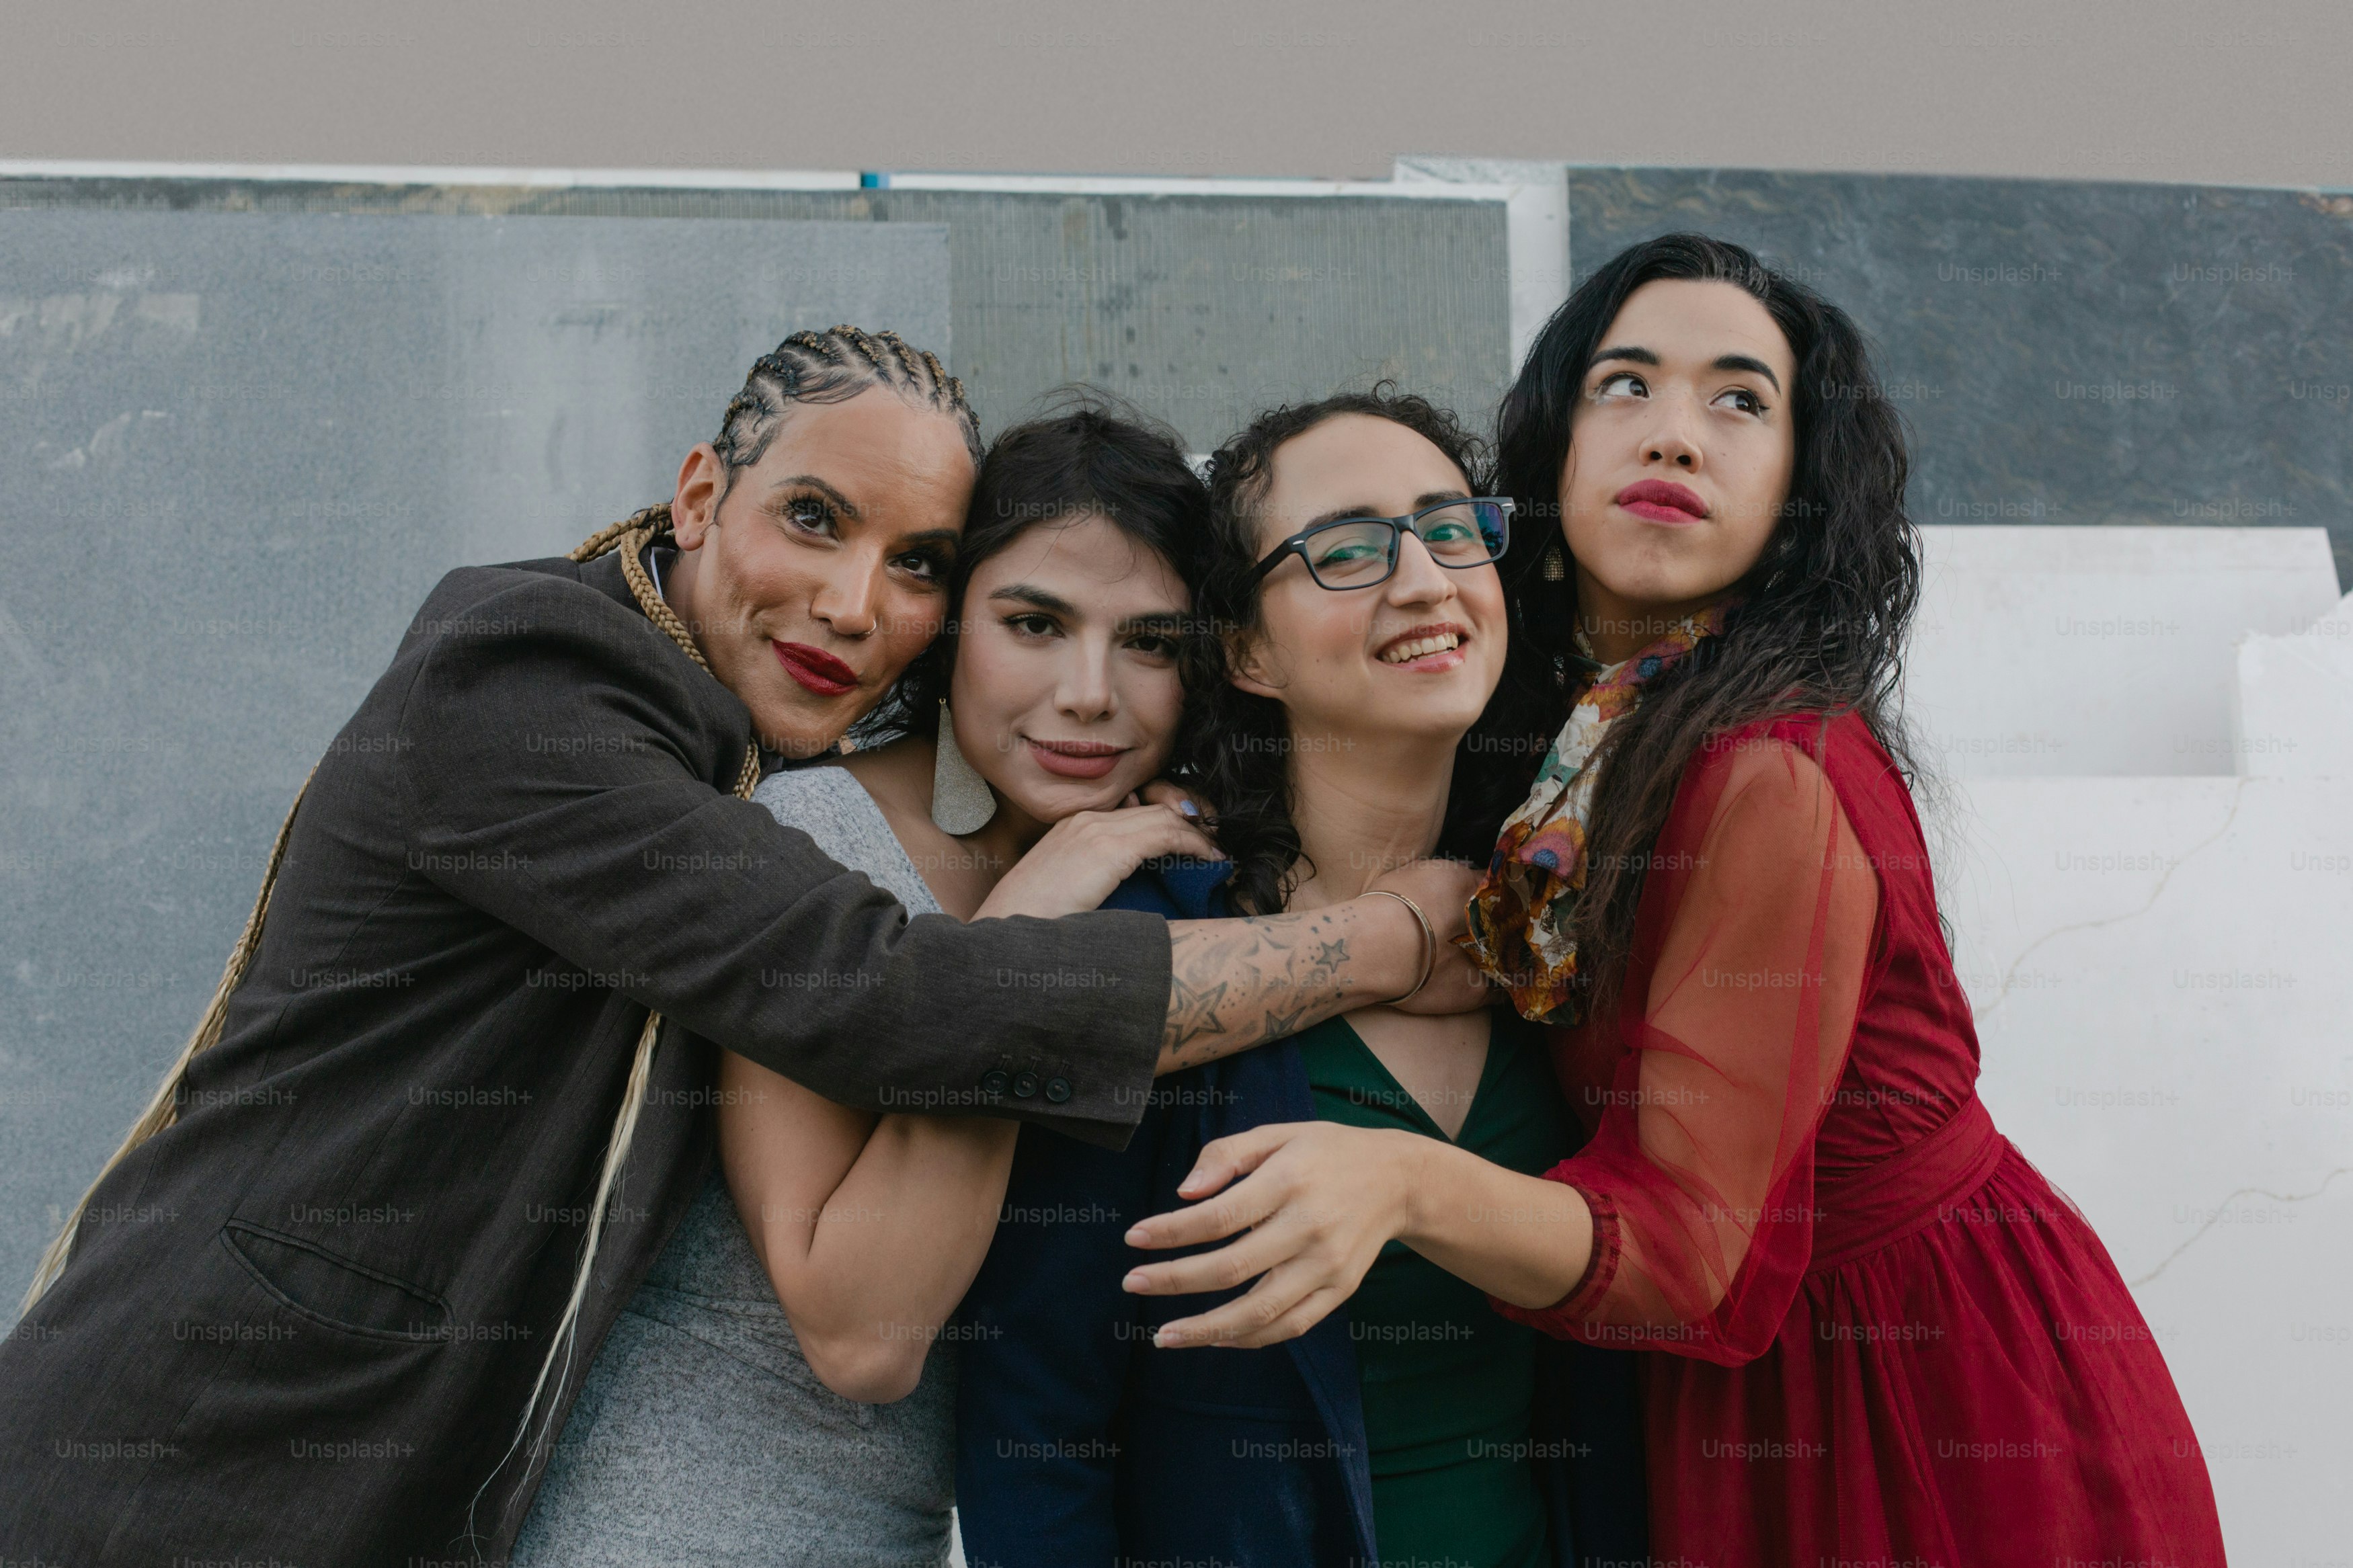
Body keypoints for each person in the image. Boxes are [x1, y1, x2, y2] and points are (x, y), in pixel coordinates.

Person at [0, 329, 1484, 1567]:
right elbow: (889, 1044)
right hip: (206, 1464)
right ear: (701, 492)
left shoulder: (846, 794)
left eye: (912, 563)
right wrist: (1395, 931)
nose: (853, 605)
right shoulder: (549, 689)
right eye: (815, 521)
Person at [1117, 238, 2229, 1567]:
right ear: (1553, 451)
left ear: (1795, 492)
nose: (1677, 437)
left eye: (1740, 400)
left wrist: (1405, 1180)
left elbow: (1691, 1248)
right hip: (1718, 1399)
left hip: (1913, 1397)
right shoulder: (1568, 746)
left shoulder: (1766, 771)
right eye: (1626, 384)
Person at [514, 396, 1215, 1565]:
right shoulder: (819, 832)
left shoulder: (1149, 862)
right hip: (676, 1527)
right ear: (947, 631)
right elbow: (863, 1335)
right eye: (1034, 623)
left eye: (1151, 642)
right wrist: (1029, 928)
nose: (1092, 691)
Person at [956, 388, 1647, 1568]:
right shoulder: (1152, 940)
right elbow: (1033, 1432)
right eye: (1346, 550)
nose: (1425, 580)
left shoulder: (1548, 923)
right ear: (1247, 650)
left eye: (1450, 529)